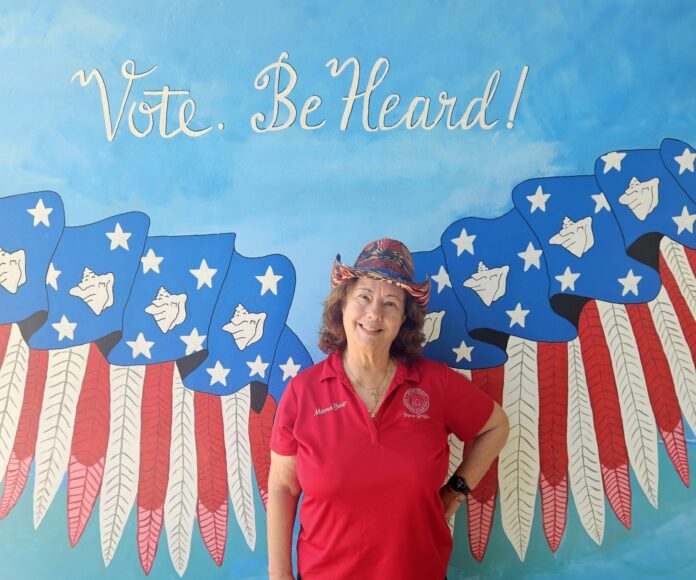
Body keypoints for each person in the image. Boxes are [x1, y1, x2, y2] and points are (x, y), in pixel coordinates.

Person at [267, 238, 509, 580]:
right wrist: (279, 577)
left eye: (391, 304)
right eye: (364, 296)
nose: (374, 314)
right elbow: (283, 487)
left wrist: (455, 492)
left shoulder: (435, 384)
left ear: (403, 322)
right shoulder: (303, 392)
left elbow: (496, 426)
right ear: (343, 304)